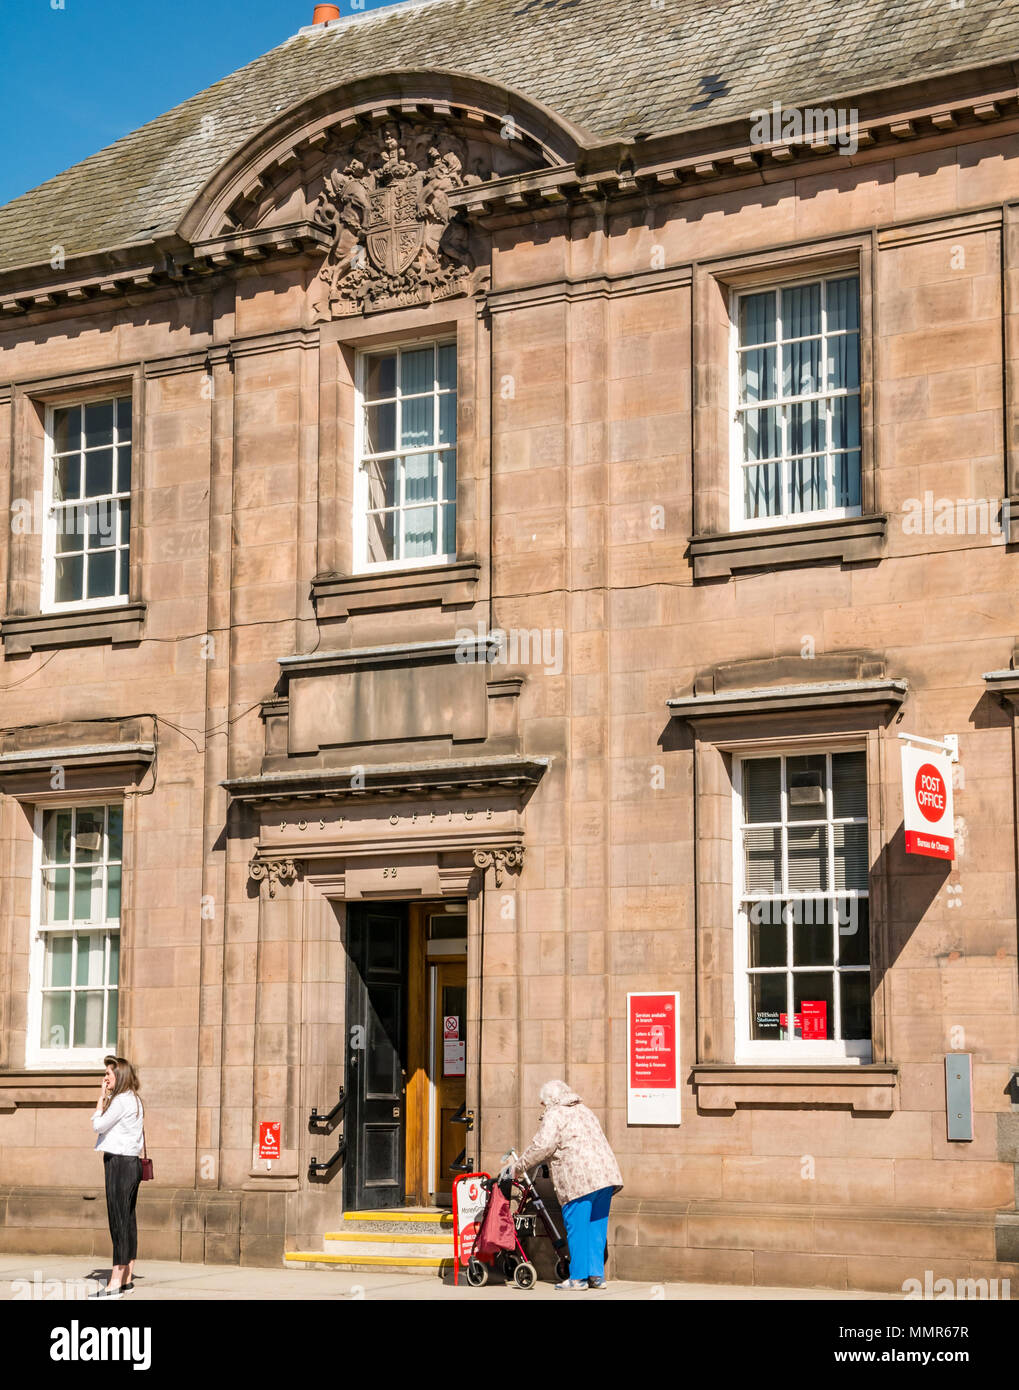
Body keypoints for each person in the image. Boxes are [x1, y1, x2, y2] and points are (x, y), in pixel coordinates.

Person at [513, 1079, 623, 1290]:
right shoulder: (585, 1110)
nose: (543, 1108)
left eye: (543, 1103)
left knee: (578, 1228)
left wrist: (518, 1167)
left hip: (579, 1177)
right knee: (596, 1228)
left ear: (551, 1100)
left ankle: (578, 1278)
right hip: (605, 1175)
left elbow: (543, 1146)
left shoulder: (556, 1114)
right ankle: (596, 1276)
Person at [89, 1055, 144, 1299]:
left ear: (119, 1076)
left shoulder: (121, 1101)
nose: (105, 1078)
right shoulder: (134, 1099)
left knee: (118, 1221)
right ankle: (127, 1277)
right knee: (128, 1220)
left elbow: (98, 1126)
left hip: (119, 1164)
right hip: (132, 1163)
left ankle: (114, 1283)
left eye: (109, 1074)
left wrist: (101, 1100)